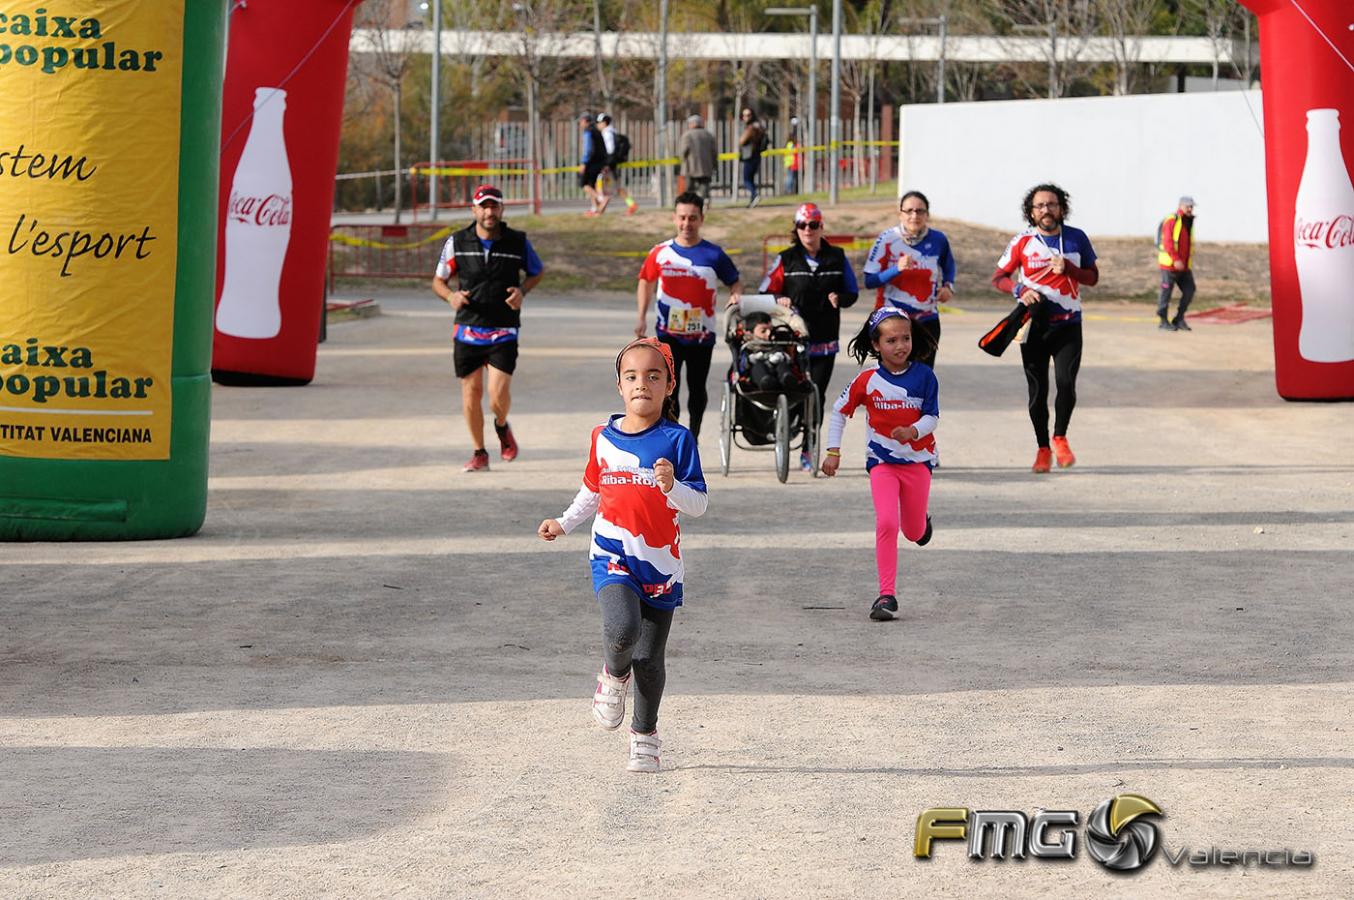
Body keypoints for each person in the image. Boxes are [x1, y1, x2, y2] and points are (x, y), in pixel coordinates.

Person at [537, 337, 708, 773]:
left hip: (661, 565)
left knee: (649, 658)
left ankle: (645, 734)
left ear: (670, 385)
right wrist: (564, 521)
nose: (642, 385)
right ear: (619, 385)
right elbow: (592, 491)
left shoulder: (678, 439)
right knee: (620, 630)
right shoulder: (602, 436)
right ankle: (613, 677)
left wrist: (673, 487)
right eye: (632, 376)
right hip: (611, 552)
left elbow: (700, 504)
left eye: (654, 376)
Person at [821, 309, 938, 622]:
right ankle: (886, 595)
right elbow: (838, 412)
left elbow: (932, 417)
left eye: (905, 338)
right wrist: (833, 452)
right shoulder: (866, 380)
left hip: (918, 462)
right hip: (882, 462)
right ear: (875, 345)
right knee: (887, 522)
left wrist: (914, 431)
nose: (900, 345)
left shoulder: (925, 376)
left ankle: (921, 525)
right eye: (891, 340)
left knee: (912, 532)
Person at [432, 184, 545, 471]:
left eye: (494, 206)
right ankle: (479, 452)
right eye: (483, 206)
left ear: (502, 209)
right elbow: (438, 280)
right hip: (468, 328)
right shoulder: (457, 241)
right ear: (474, 210)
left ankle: (502, 425)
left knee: (497, 395)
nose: (489, 211)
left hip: (504, 328)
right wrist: (451, 296)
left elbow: (537, 272)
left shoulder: (517, 241)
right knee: (471, 394)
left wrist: (522, 291)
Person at [990, 183, 1100, 473]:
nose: (1046, 210)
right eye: (1040, 205)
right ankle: (1042, 449)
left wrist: (1070, 269)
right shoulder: (1022, 241)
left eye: (1052, 204)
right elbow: (998, 277)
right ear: (1031, 211)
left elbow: (1092, 277)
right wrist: (1019, 290)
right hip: (1034, 326)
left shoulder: (1076, 238)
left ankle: (1060, 437)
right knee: (1037, 391)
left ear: (1061, 208)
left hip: (1069, 326)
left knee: (1066, 383)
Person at [759, 202, 860, 469]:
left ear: (821, 227)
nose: (808, 230)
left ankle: (808, 446)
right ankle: (788, 424)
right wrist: (778, 298)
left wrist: (841, 298)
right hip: (794, 338)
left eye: (813, 225)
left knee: (817, 394)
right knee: (794, 388)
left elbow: (853, 291)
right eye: (802, 225)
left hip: (825, 339)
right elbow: (764, 291)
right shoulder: (786, 258)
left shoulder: (836, 257)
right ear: (796, 228)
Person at [636, 191, 742, 438]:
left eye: (692, 218)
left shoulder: (714, 254)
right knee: (668, 391)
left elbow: (735, 282)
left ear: (701, 219)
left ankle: (692, 438)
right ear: (674, 218)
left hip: (701, 336)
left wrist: (735, 296)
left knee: (697, 389)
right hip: (668, 335)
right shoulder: (660, 252)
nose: (687, 224)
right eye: (682, 217)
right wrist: (641, 316)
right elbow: (645, 281)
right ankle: (672, 439)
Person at [862, 190, 955, 368]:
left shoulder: (939, 239)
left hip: (927, 320)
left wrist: (948, 286)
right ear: (900, 214)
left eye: (920, 211)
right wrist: (896, 269)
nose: (914, 216)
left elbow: (949, 266)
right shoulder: (887, 239)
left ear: (927, 214)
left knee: (922, 379)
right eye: (909, 211)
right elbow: (869, 281)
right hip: (891, 321)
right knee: (892, 380)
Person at [1156, 195, 1197, 331]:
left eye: (1191, 206)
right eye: (1188, 206)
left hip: (1183, 267)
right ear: (1180, 206)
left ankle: (1179, 318)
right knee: (1166, 292)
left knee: (1189, 290)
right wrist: (1176, 259)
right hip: (1170, 265)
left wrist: (1184, 262)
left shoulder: (1188, 221)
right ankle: (1163, 320)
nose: (1190, 209)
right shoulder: (1172, 221)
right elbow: (1168, 242)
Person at [739, 313, 798, 391]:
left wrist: (782, 356)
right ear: (750, 333)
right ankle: (766, 382)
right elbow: (742, 366)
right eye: (763, 331)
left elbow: (790, 358)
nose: (768, 334)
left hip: (777, 372)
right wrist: (750, 360)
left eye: (771, 330)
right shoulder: (748, 347)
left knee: (783, 366)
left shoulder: (777, 343)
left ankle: (787, 379)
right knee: (758, 367)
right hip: (757, 377)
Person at [597, 113, 639, 217]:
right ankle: (631, 204)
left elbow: (609, 149)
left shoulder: (607, 133)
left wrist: (606, 163)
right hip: (612, 163)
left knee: (600, 184)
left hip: (608, 164)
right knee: (616, 187)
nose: (598, 125)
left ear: (604, 122)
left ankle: (599, 209)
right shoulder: (612, 132)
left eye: (599, 122)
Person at [677, 114, 717, 203]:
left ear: (692, 124)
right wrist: (714, 165)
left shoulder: (687, 135)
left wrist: (681, 161)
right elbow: (714, 152)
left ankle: (690, 203)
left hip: (690, 167)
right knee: (704, 186)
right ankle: (704, 202)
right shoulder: (709, 135)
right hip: (706, 166)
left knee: (689, 188)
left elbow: (684, 151)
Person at [577, 113, 607, 216]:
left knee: (584, 184)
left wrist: (584, 163)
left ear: (585, 121)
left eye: (580, 122)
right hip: (600, 162)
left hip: (591, 162)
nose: (580, 124)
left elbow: (588, 149)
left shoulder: (588, 132)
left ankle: (601, 199)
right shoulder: (598, 132)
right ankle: (595, 209)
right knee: (592, 185)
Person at [737, 107, 766, 208]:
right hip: (756, 155)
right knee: (751, 179)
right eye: (744, 115)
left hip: (750, 156)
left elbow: (742, 141)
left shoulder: (751, 127)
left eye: (748, 115)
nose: (745, 117)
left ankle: (755, 195)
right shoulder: (759, 126)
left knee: (746, 180)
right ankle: (752, 200)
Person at [783, 118, 803, 195]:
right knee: (790, 178)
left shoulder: (789, 144)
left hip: (792, 163)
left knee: (792, 177)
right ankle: (788, 190)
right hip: (791, 163)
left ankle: (791, 190)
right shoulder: (791, 145)